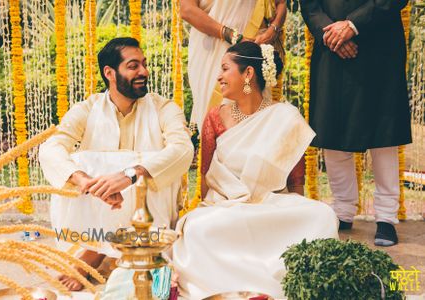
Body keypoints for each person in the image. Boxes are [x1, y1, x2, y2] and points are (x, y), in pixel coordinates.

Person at [173, 42, 338, 299]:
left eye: (225, 69)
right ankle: (233, 286)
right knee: (197, 228)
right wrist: (206, 208)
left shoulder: (286, 117)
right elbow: (206, 175)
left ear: (248, 73)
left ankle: (278, 280)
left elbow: (295, 182)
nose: (219, 76)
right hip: (225, 206)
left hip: (271, 205)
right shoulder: (215, 117)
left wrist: (296, 211)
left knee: (322, 215)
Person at [39, 37, 194, 291]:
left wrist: (131, 174)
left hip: (147, 212)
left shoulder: (164, 108)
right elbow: (50, 149)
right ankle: (99, 247)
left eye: (144, 64)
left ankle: (100, 253)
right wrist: (86, 182)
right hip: (101, 202)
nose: (143, 71)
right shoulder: (88, 108)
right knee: (77, 163)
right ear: (109, 73)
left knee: (147, 165)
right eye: (133, 66)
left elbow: (183, 150)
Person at [300, 0, 412, 246]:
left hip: (379, 44)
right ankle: (343, 211)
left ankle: (386, 217)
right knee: (334, 129)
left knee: (383, 135)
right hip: (331, 46)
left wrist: (353, 25)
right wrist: (331, 33)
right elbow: (309, 6)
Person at [181, 0, 287, 130]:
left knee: (255, 116)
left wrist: (273, 29)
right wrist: (232, 36)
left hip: (253, 49)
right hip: (212, 50)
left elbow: (281, 3)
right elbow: (187, 10)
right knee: (215, 116)